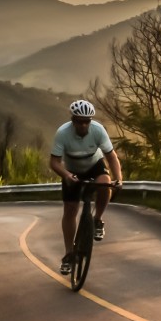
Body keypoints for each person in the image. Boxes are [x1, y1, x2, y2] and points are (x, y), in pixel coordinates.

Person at [50, 99, 123, 275]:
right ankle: (69, 254)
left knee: (105, 184)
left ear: (90, 121)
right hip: (72, 170)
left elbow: (111, 157)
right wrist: (66, 175)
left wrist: (119, 179)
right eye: (78, 121)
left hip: (94, 165)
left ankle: (97, 219)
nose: (83, 125)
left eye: (86, 121)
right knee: (70, 210)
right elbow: (54, 162)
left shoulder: (98, 130)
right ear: (72, 120)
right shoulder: (62, 133)